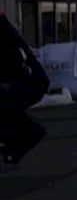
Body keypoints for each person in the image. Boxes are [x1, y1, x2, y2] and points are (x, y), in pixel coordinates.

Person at [0, 10, 50, 167]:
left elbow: (16, 58)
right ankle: (14, 141)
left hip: (29, 82)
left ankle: (22, 136)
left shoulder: (6, 35)